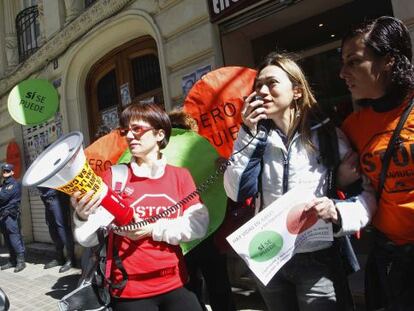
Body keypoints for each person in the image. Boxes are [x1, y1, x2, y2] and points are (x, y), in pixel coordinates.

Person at [224, 52, 376, 311]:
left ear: (296, 91)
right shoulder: (254, 136)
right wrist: (248, 133)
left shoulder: (328, 135)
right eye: (257, 85)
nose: (261, 90)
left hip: (317, 259)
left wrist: (338, 212)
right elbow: (237, 190)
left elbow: (365, 194)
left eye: (271, 83)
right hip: (269, 257)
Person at [71, 103, 208, 311]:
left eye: (138, 129)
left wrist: (153, 229)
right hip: (130, 292)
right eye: (126, 131)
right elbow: (87, 238)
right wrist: (82, 216)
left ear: (159, 134)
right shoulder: (114, 177)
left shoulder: (180, 176)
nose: (129, 136)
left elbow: (198, 224)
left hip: (177, 283)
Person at [340, 16, 414, 310]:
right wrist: (342, 180)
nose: (343, 73)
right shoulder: (352, 127)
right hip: (390, 258)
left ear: (389, 61)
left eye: (354, 61)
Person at [168, 109, 236, 311]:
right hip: (210, 227)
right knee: (218, 283)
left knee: (189, 286)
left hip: (178, 232)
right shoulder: (202, 147)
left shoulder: (160, 153)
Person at [37, 187, 75, 272]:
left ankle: (71, 260)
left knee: (63, 229)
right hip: (47, 200)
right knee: (52, 229)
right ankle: (60, 258)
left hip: (58, 198)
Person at [0, 163, 26, 273]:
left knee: (14, 238)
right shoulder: (3, 185)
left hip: (10, 215)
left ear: (12, 172)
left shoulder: (14, 184)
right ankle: (12, 260)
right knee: (7, 238)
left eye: (7, 170)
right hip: (3, 215)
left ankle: (21, 261)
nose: (5, 172)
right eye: (4, 171)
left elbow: (3, 197)